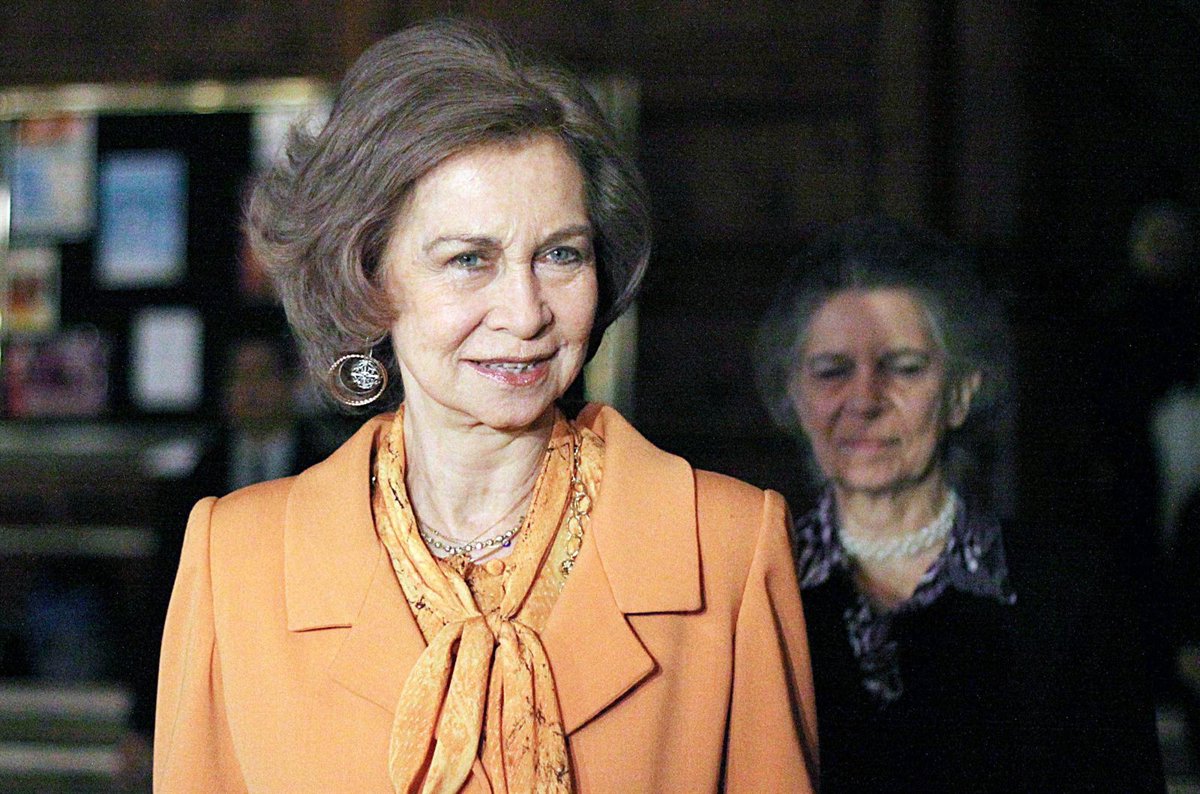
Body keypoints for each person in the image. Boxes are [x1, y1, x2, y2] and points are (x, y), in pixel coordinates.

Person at [154, 19, 817, 792]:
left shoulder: (728, 547)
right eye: (470, 259)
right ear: (366, 277)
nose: (527, 312)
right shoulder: (236, 562)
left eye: (561, 254)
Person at [754, 217, 1164, 792]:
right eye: (831, 371)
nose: (865, 400)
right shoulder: (755, 588)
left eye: (904, 367)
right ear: (794, 396)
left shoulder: (1071, 587)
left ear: (962, 393)